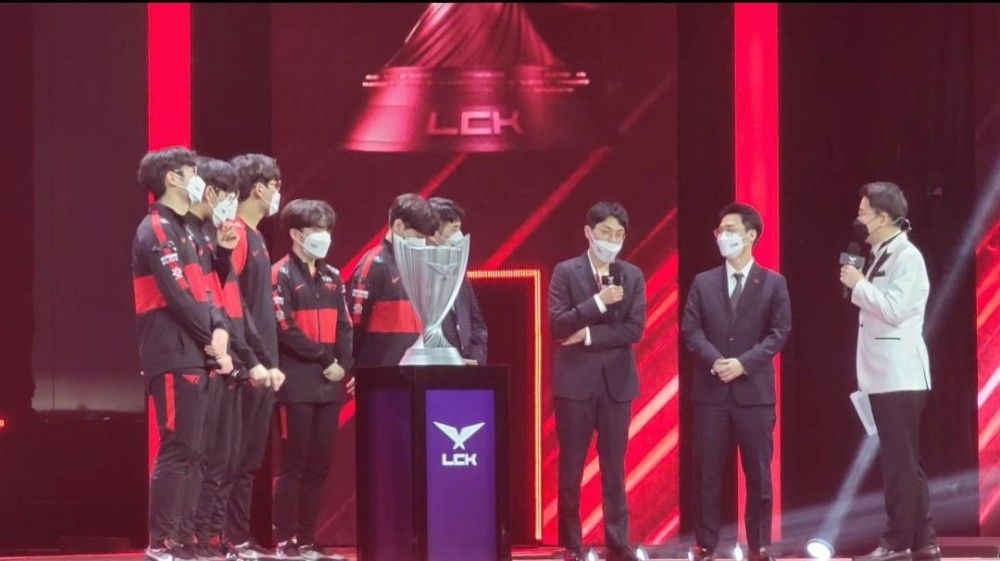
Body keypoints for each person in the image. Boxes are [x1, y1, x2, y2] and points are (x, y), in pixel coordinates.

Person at [132, 146, 233, 561]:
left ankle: (186, 537)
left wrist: (221, 328)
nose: (199, 180)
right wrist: (213, 339)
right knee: (178, 447)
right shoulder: (156, 228)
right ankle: (163, 541)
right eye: (193, 172)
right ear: (173, 179)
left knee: (197, 451)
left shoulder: (190, 231)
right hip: (173, 351)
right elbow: (177, 296)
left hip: (199, 350)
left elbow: (209, 290)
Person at [681, 203, 791, 561]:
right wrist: (716, 361)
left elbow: (779, 333)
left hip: (754, 393)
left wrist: (743, 364)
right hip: (710, 391)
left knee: (758, 473)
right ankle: (705, 543)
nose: (722, 236)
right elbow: (691, 330)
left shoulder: (773, 282)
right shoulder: (703, 282)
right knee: (707, 471)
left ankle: (759, 544)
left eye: (730, 230)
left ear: (750, 235)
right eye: (720, 230)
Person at [839, 182, 938, 561]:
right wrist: (859, 283)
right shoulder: (880, 253)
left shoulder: (907, 257)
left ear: (883, 218)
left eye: (863, 214)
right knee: (905, 462)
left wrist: (859, 284)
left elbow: (895, 310)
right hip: (882, 375)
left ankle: (896, 542)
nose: (858, 220)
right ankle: (924, 541)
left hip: (900, 375)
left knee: (900, 464)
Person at [181, 158, 274, 560]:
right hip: (217, 361)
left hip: (241, 361)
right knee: (207, 458)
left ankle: (218, 539)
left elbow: (235, 305)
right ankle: (198, 538)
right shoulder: (202, 236)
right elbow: (214, 305)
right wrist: (241, 357)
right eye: (228, 193)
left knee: (232, 458)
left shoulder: (227, 239)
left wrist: (258, 357)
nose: (231, 201)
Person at [549, 201, 647, 561]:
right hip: (574, 384)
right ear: (589, 232)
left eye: (619, 234)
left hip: (617, 384)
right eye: (606, 232)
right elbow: (559, 324)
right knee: (571, 466)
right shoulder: (566, 271)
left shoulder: (632, 275)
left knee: (614, 466)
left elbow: (634, 329)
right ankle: (571, 545)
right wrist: (598, 302)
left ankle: (618, 542)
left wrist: (588, 334)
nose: (613, 240)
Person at [270, 199, 354, 561]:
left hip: (329, 384)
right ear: (296, 233)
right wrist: (324, 358)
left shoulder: (333, 276)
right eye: (317, 229)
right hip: (296, 384)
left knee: (320, 463)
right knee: (294, 463)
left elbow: (345, 325)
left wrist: (344, 364)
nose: (324, 236)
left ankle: (306, 541)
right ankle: (285, 541)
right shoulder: (280, 274)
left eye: (327, 229)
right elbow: (284, 327)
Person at [224, 153, 287, 559]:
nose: (279, 192)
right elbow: (230, 301)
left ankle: (240, 537)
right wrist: (250, 360)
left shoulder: (258, 237)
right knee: (234, 457)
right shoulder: (236, 233)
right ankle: (228, 539)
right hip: (244, 365)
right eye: (276, 184)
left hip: (264, 365)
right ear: (260, 188)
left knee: (249, 459)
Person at [348, 193, 437, 368]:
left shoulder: (419, 265)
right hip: (381, 371)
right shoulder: (373, 264)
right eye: (419, 237)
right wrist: (353, 367)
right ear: (398, 226)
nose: (423, 243)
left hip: (417, 370)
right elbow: (355, 324)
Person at [427, 197, 488, 365]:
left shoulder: (459, 272)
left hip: (466, 372)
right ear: (433, 233)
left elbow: (477, 325)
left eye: (460, 229)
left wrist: (477, 359)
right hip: (433, 373)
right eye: (454, 229)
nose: (459, 236)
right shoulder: (415, 279)